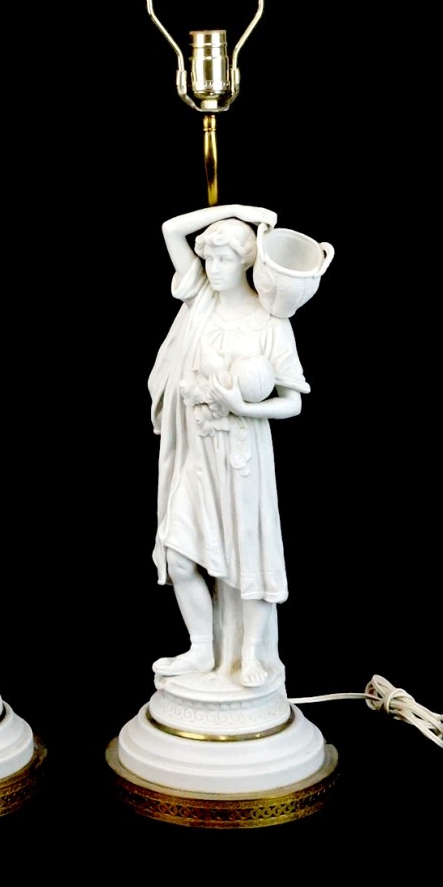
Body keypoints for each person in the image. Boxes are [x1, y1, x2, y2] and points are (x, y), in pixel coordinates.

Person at [149, 204, 308, 689]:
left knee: (248, 554)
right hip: (195, 452)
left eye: (223, 260)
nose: (212, 268)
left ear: (245, 261)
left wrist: (242, 405)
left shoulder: (270, 321)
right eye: (208, 259)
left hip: (241, 454)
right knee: (179, 555)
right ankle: (201, 649)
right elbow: (170, 229)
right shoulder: (199, 300)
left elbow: (292, 402)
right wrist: (239, 211)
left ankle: (251, 654)